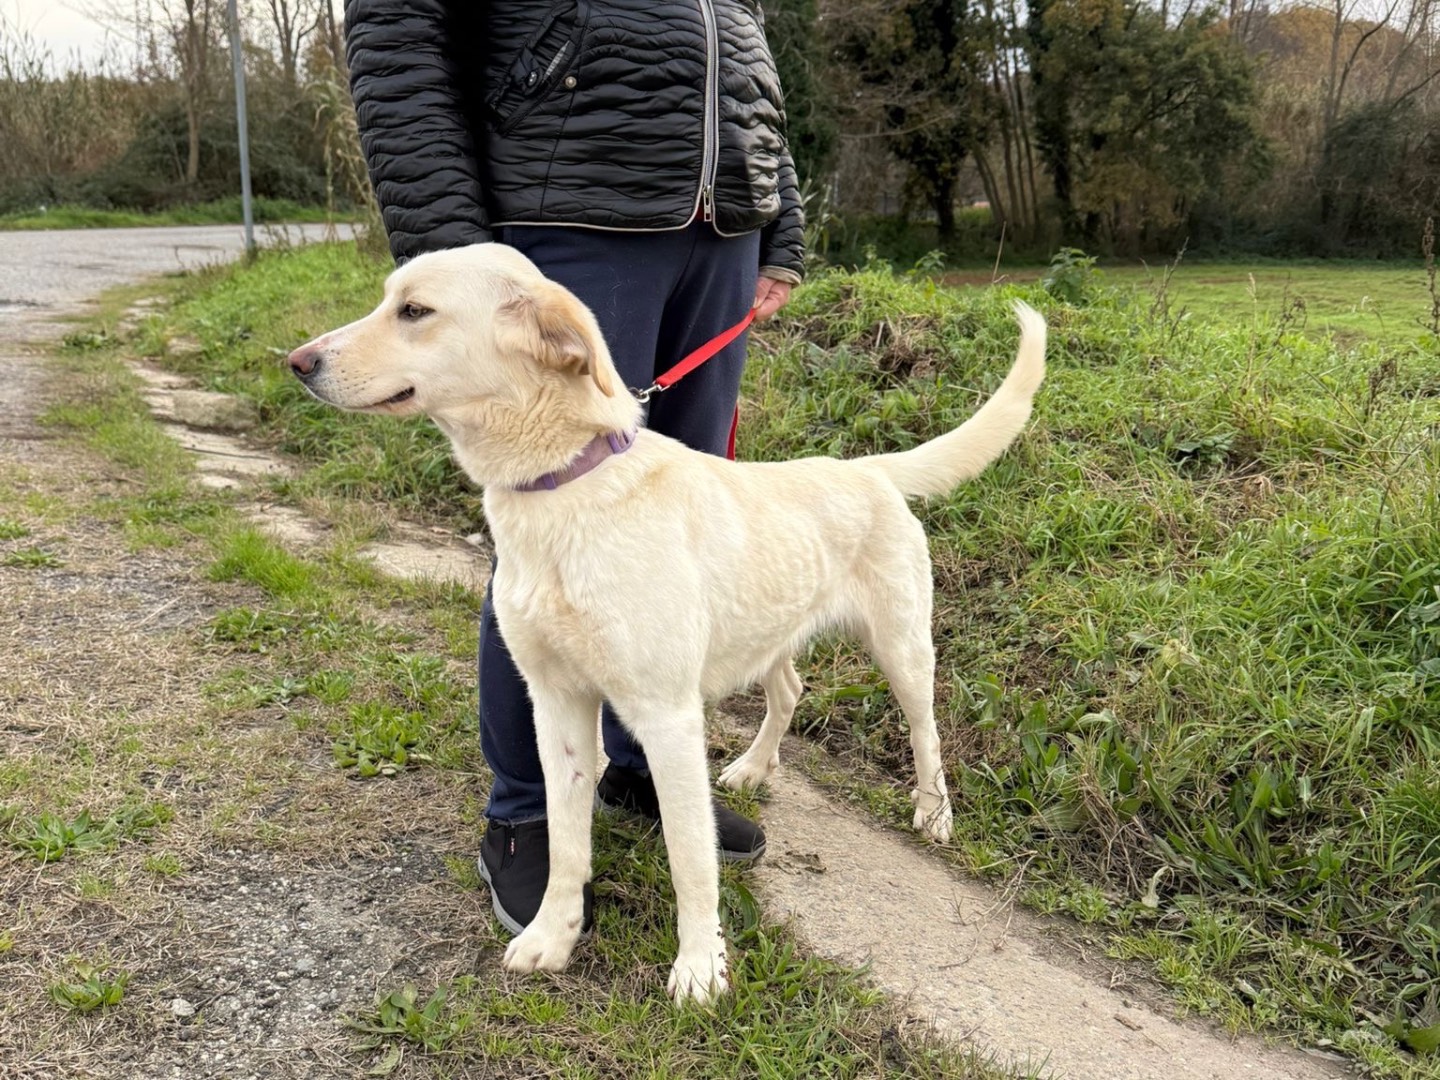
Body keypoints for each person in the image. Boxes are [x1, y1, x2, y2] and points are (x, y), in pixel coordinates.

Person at [343, 0, 805, 935]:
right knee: (549, 522)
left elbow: (744, 54)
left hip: (722, 229)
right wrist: (454, 250)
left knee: (675, 521)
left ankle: (641, 766)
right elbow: (399, 37)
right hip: (568, 208)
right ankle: (525, 813)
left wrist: (778, 222)